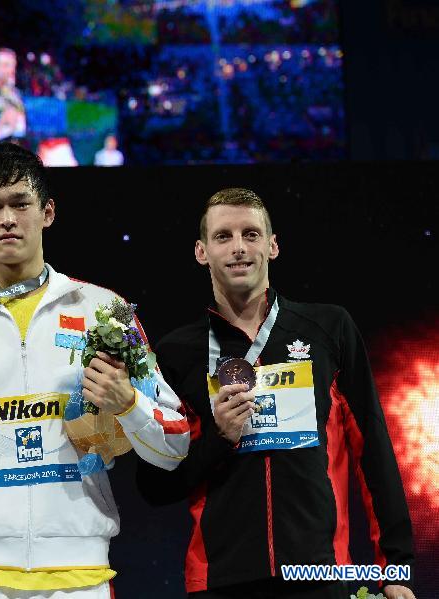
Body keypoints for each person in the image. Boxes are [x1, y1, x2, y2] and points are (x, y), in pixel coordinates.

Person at [0, 142, 190, 598]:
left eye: (20, 204)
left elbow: (174, 445)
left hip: (79, 570)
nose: (7, 218)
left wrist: (128, 404)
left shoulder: (104, 310)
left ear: (47, 212)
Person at [135, 188, 415, 599]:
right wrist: (218, 439)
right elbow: (155, 487)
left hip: (318, 574)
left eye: (251, 234)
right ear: (201, 252)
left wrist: (396, 566)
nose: (239, 248)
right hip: (219, 579)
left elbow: (372, 446)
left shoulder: (328, 329)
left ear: (273, 244)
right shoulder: (178, 354)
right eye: (223, 236)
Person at [0, 48, 26, 145]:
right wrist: (2, 123)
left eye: (13, 66)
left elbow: (20, 130)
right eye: (6, 65)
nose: (11, 70)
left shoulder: (15, 94)